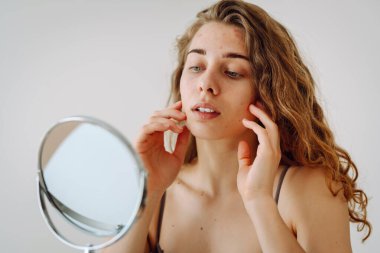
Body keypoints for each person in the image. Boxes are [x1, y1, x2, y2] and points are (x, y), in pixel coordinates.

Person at [104, 0, 371, 252]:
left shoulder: (307, 190)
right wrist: (147, 191)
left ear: (267, 93)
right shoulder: (157, 194)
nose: (205, 83)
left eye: (232, 71)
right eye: (196, 66)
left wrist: (259, 201)